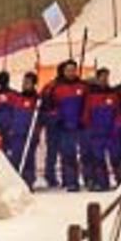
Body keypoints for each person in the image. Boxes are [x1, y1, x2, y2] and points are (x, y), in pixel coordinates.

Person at [40, 60, 88, 191]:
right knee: (67, 154)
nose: (71, 73)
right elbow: (45, 107)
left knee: (85, 154)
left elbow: (88, 105)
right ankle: (69, 181)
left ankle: (86, 178)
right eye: (68, 70)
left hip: (79, 125)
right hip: (61, 126)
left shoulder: (83, 86)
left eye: (73, 70)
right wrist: (54, 118)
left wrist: (83, 120)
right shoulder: (53, 87)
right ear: (63, 71)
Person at [82, 68, 121, 190]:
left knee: (116, 158)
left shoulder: (114, 94)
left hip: (112, 134)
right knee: (98, 160)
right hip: (97, 134)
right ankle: (102, 183)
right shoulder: (91, 96)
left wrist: (117, 126)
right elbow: (86, 114)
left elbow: (118, 113)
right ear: (97, 79)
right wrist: (89, 128)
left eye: (106, 77)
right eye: (102, 77)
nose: (105, 80)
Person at [4, 72, 40, 186]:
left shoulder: (37, 100)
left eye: (28, 83)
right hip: (16, 133)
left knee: (28, 158)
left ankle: (28, 181)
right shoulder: (17, 98)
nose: (24, 85)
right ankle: (16, 180)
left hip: (29, 134)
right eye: (24, 82)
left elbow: (41, 117)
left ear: (33, 84)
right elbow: (11, 115)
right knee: (15, 157)